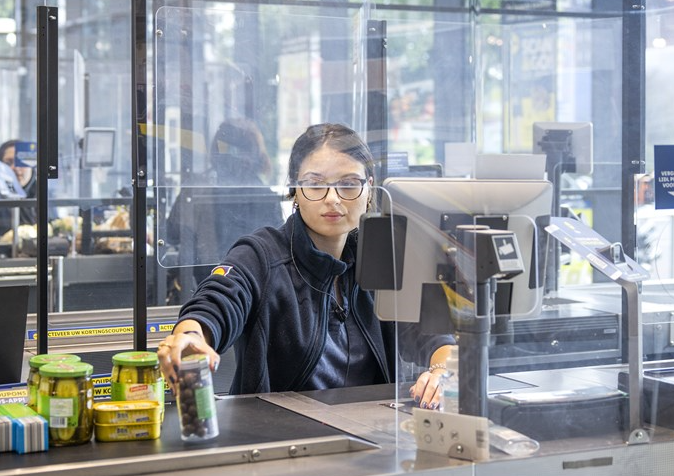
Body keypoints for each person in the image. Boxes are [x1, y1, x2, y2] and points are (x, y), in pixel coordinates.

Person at [157, 123, 455, 408]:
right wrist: (191, 336)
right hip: (284, 442)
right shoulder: (261, 255)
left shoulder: (382, 257)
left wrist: (442, 372)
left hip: (373, 439)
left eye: (349, 185)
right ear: (294, 190)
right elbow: (216, 302)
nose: (333, 199)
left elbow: (434, 334)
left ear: (369, 189)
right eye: (315, 184)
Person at [165, 118, 283, 298]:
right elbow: (279, 251)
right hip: (256, 294)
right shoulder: (266, 195)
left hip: (203, 294)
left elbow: (171, 235)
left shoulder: (197, 190)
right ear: (256, 154)